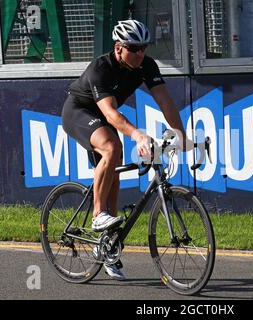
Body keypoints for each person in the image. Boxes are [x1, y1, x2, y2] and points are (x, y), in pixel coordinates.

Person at [61, 19, 191, 280]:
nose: (140, 53)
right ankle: (98, 214)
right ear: (118, 48)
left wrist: (180, 134)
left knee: (116, 171)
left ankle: (107, 246)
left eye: (143, 47)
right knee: (112, 146)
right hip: (79, 111)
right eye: (134, 48)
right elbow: (109, 113)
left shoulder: (146, 65)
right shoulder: (101, 68)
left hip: (101, 116)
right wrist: (138, 134)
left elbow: (164, 100)